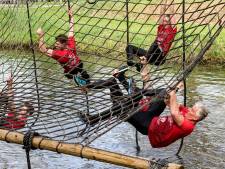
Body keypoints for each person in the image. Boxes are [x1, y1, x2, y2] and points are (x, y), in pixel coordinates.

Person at [82, 69, 209, 148]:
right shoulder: (187, 112)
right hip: (147, 113)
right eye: (191, 108)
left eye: (192, 110)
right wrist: (173, 90)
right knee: (115, 86)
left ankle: (93, 119)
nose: (189, 110)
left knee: (122, 105)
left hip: (148, 127)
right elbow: (169, 102)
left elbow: (175, 113)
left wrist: (173, 92)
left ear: (196, 117)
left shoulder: (188, 126)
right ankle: (88, 86)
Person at [36, 9, 90, 85]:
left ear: (64, 44)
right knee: (87, 82)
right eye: (56, 43)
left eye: (58, 44)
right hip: (79, 65)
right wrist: (72, 17)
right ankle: (84, 82)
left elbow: (43, 49)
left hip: (71, 72)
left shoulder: (60, 54)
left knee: (83, 85)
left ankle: (80, 82)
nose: (55, 45)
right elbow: (71, 30)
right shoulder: (70, 44)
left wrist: (41, 36)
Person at [126, 0, 177, 71]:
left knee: (156, 44)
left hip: (159, 58)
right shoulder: (161, 28)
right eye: (164, 21)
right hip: (151, 55)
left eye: (166, 21)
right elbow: (162, 13)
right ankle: (132, 62)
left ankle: (144, 59)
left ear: (170, 23)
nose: (164, 22)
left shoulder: (172, 30)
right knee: (129, 47)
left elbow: (172, 13)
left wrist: (172, 3)